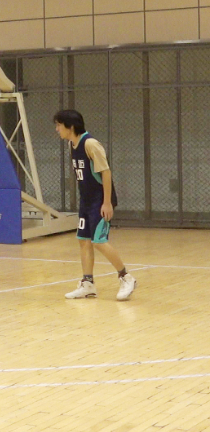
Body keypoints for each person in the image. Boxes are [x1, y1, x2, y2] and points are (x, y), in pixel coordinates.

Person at [54, 110, 136, 301]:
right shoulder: (71, 145)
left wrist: (107, 203)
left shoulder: (90, 144)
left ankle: (126, 277)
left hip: (100, 200)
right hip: (86, 200)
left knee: (99, 241)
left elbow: (106, 173)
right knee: (83, 240)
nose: (57, 129)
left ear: (70, 126)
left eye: (59, 125)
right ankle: (88, 284)